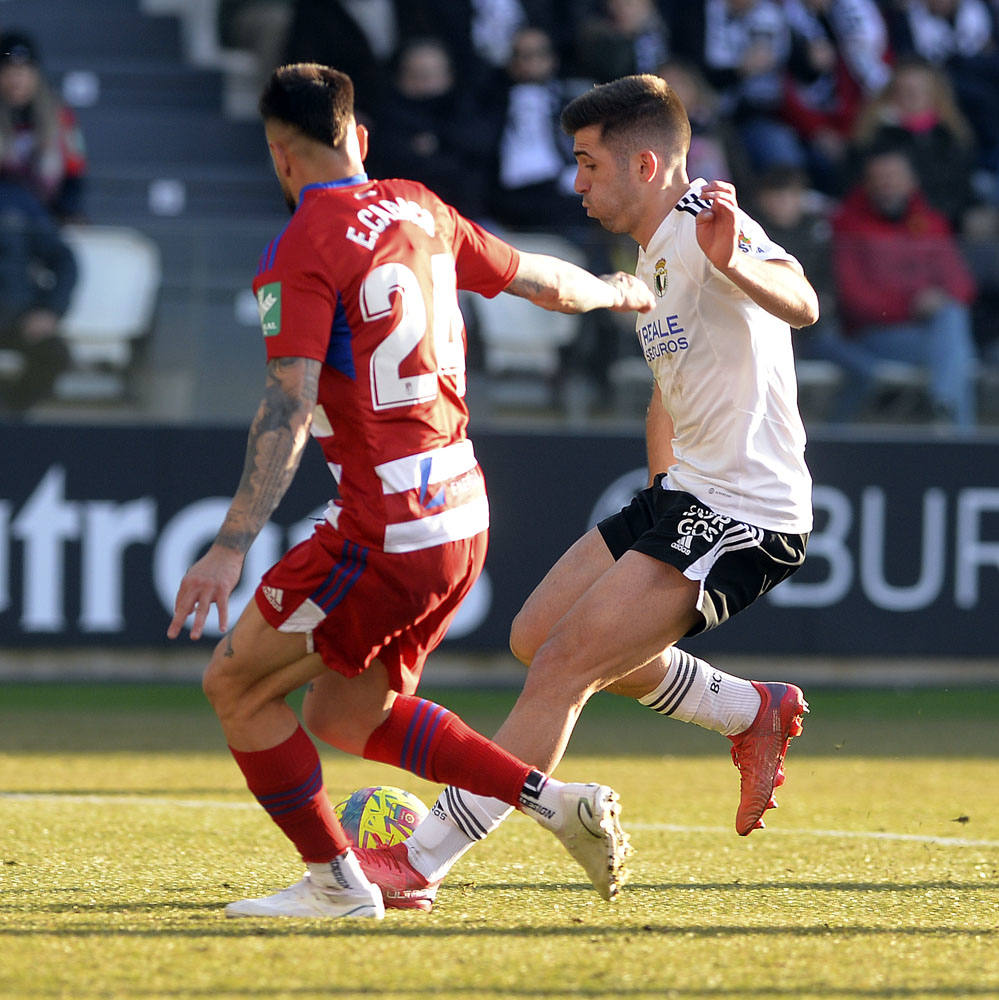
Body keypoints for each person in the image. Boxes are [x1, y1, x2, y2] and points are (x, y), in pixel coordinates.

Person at [167, 63, 656, 920]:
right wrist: (616, 289)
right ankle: (556, 803)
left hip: (383, 524)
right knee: (350, 712)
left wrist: (231, 543)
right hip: (461, 507)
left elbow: (288, 402)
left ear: (281, 160)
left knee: (235, 689)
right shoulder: (421, 207)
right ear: (358, 138)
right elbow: (542, 280)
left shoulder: (300, 245)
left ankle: (335, 885)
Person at [349, 73, 817, 912]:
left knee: (565, 666)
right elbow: (665, 392)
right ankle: (748, 710)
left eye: (587, 163)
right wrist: (661, 487)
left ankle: (420, 861)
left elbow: (804, 303)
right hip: (685, 495)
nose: (576, 182)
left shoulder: (711, 220)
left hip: (746, 509)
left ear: (645, 165)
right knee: (536, 637)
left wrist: (734, 257)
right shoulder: (649, 252)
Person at [831, 146, 979, 427]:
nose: (888, 184)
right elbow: (853, 298)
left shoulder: (931, 223)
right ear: (867, 182)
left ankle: (944, 408)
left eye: (895, 176)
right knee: (957, 351)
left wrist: (938, 298)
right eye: (881, 177)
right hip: (875, 335)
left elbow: (962, 284)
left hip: (931, 331)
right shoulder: (848, 226)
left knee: (952, 322)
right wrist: (910, 305)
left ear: (912, 181)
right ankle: (955, 431)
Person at [0, 180, 75, 414]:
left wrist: (50, 311)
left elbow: (63, 259)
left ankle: (13, 414)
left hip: (16, 317)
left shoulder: (16, 200)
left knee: (53, 353)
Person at [0, 31, 87, 223]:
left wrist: (68, 212)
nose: (16, 81)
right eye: (9, 72)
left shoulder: (58, 115)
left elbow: (75, 173)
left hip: (45, 214)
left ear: (35, 74)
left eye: (23, 72)